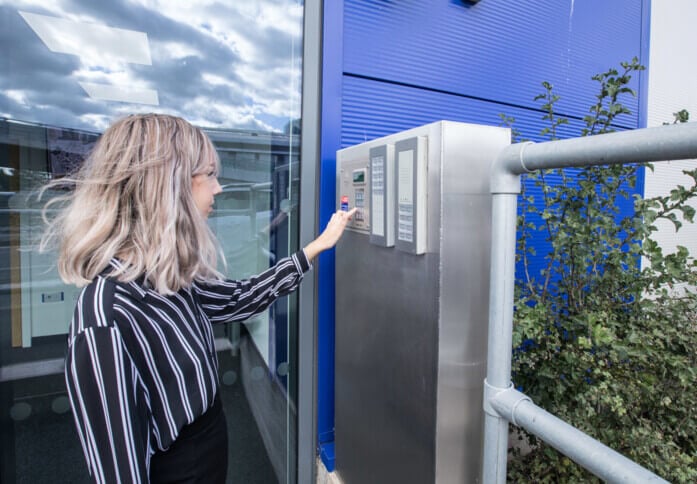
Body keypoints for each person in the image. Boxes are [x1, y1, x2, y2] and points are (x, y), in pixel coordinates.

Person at [40, 113, 356, 483]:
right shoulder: (106, 320)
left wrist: (314, 249)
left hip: (209, 445)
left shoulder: (165, 277)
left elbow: (239, 299)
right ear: (165, 187)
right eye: (208, 174)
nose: (218, 188)